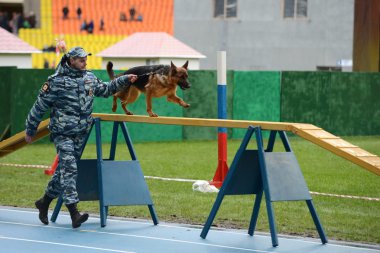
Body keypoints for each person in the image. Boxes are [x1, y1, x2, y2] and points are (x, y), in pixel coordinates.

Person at [25, 47, 137, 228]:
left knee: (63, 170)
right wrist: (30, 129)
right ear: (71, 60)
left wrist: (125, 79)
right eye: (81, 60)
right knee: (69, 169)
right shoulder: (55, 82)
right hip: (62, 133)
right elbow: (39, 107)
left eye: (86, 59)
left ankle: (44, 202)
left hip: (81, 133)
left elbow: (106, 90)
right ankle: (73, 213)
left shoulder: (89, 78)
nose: (85, 62)